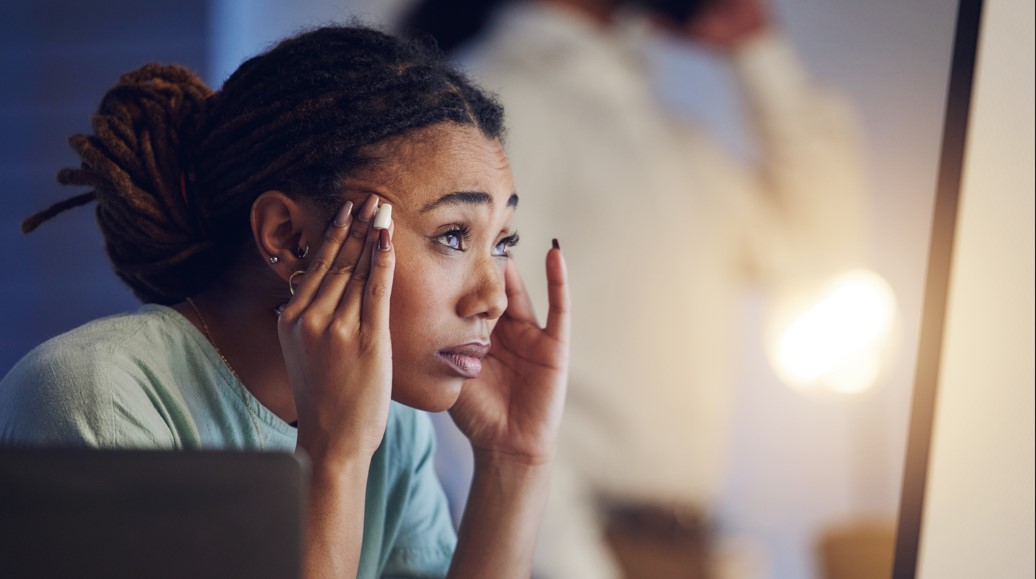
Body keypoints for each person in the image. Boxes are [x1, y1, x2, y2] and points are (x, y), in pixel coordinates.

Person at [0, 24, 571, 579]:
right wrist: (335, 459)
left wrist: (513, 463)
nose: (493, 297)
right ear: (288, 236)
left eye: (502, 243)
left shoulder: (392, 430)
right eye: (452, 235)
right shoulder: (92, 400)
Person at [399, 0, 868, 577]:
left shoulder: (667, 135)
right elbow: (463, 361)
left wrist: (757, 51)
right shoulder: (498, 101)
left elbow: (820, 246)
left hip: (691, 546)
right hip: (586, 548)